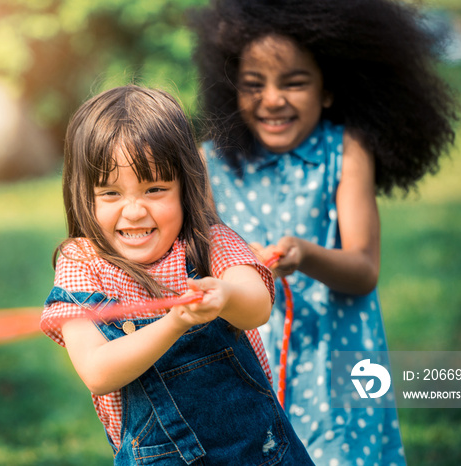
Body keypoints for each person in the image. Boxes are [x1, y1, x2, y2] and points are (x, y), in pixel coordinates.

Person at [190, 0, 461, 464]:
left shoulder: (346, 151)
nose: (273, 99)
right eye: (253, 85)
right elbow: (194, 261)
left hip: (340, 357)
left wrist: (306, 256)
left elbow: (364, 269)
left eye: (294, 83)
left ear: (329, 89)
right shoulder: (210, 163)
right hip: (251, 357)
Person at [40, 85, 314, 465]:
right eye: (110, 194)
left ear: (186, 188)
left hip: (262, 452)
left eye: (155, 189)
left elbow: (257, 307)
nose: (134, 211)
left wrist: (226, 296)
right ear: (83, 194)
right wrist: (174, 323)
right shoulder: (83, 264)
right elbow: (98, 371)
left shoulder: (209, 242)